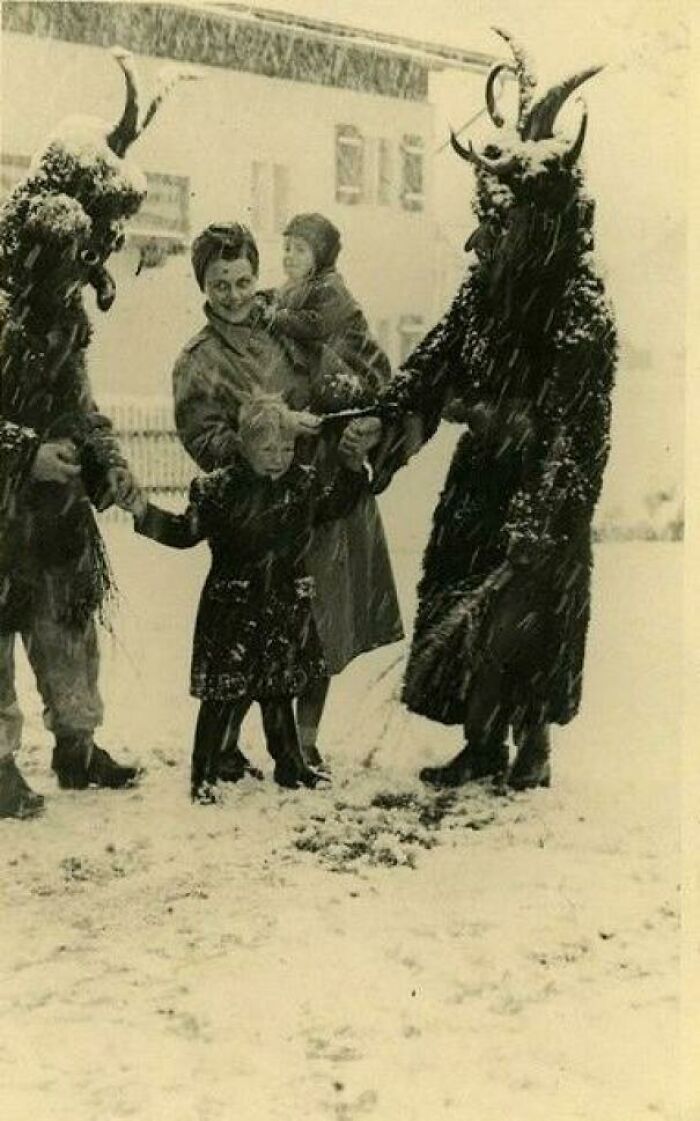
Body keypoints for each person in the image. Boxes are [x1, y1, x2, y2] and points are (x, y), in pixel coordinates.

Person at [339, 47, 616, 792]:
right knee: (467, 603)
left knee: (530, 621)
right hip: (481, 481)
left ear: (538, 221)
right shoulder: (483, 293)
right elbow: (435, 360)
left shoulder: (578, 302)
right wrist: (390, 412)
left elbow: (575, 423)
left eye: (501, 221)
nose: (484, 237)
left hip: (542, 488)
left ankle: (534, 742)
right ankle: (481, 739)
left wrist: (544, 501)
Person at [172, 222, 402, 774]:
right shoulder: (198, 360)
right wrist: (269, 437)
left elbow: (348, 377)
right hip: (254, 516)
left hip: (314, 498)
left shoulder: (287, 326)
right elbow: (204, 439)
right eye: (219, 283)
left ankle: (304, 740)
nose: (234, 294)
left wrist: (358, 421)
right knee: (245, 631)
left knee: (311, 628)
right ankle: (224, 746)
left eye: (243, 279)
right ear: (202, 285)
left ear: (257, 275)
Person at [120, 395, 369, 801]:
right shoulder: (219, 490)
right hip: (232, 608)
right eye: (268, 449)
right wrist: (142, 511)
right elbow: (185, 532)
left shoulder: (301, 485)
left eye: (287, 448)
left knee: (277, 691)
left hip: (283, 604)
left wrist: (353, 469)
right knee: (221, 696)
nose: (279, 458)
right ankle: (203, 774)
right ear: (245, 445)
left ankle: (290, 766)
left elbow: (335, 505)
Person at [261, 211, 391, 413]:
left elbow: (317, 324)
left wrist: (278, 318)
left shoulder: (331, 287)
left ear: (320, 256)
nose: (289, 256)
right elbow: (278, 298)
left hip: (359, 371)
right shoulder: (297, 285)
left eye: (300, 250)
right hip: (333, 370)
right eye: (287, 249)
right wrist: (262, 299)